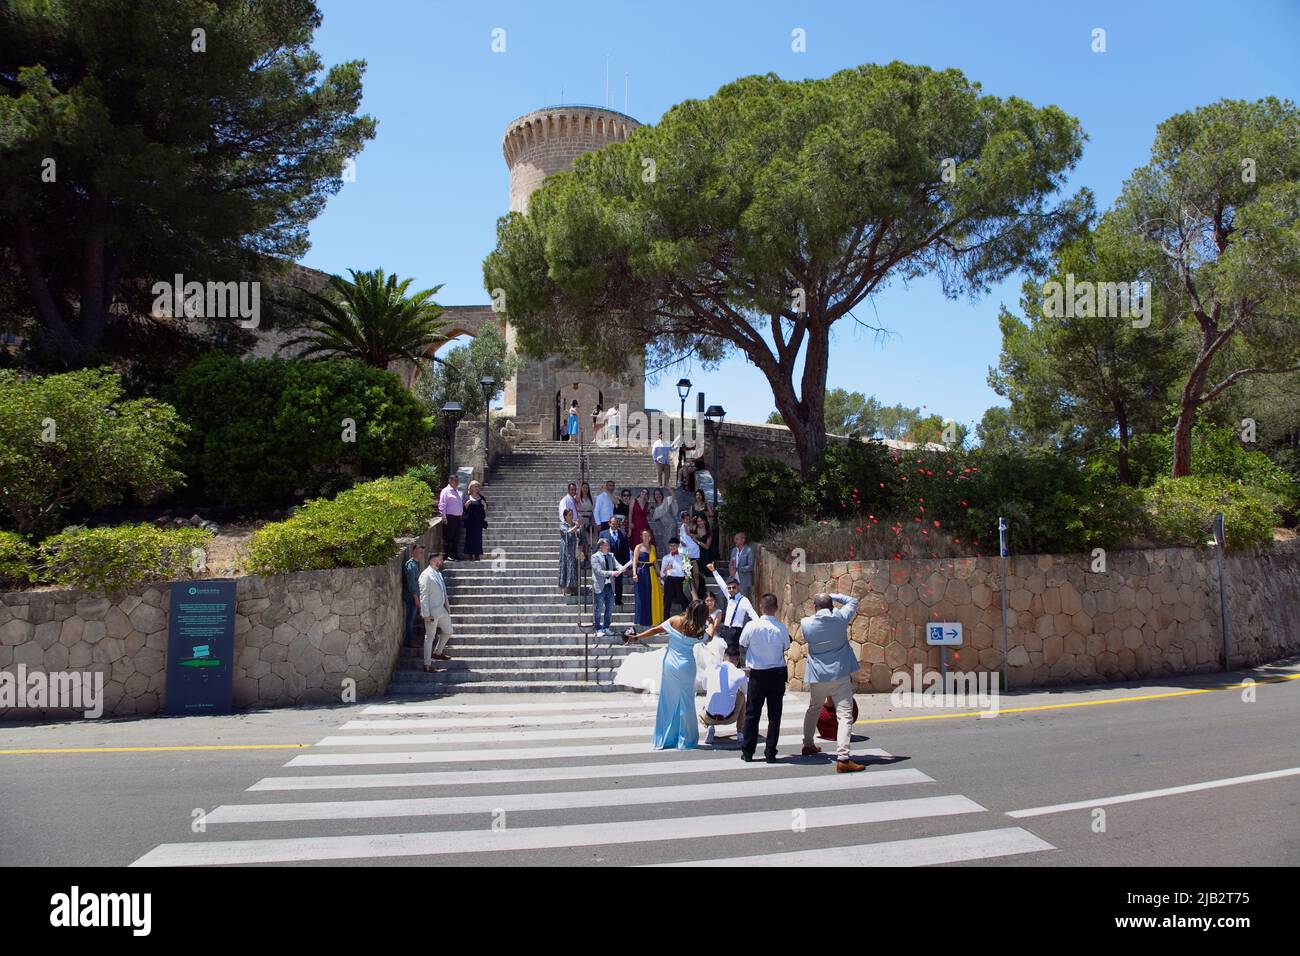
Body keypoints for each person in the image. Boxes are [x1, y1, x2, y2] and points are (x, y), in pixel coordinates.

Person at [625, 599, 710, 750]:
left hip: (670, 663)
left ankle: (665, 739)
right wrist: (713, 623)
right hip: (687, 665)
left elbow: (655, 630)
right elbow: (709, 637)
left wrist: (636, 637)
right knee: (687, 702)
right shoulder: (699, 630)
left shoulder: (675, 620)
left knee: (667, 700)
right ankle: (686, 740)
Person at [800, 591, 866, 773]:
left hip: (817, 675)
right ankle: (843, 758)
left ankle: (808, 744)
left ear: (815, 607)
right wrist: (834, 595)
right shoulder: (840, 618)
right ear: (831, 606)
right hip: (840, 673)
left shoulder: (806, 624)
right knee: (845, 715)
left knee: (813, 709)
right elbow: (853, 600)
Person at [739, 593, 790, 763]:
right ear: (776, 608)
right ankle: (770, 752)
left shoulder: (752, 626)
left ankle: (748, 752)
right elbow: (786, 645)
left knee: (752, 714)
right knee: (774, 715)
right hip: (776, 674)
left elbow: (743, 642)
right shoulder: (781, 628)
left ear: (761, 607)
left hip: (757, 675)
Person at [708, 562, 757, 662]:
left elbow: (753, 614)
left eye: (733, 587)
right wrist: (714, 571)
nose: (731, 590)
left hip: (735, 631)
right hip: (726, 630)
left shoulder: (744, 600)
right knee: (725, 653)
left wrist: (759, 625)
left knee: (732, 655)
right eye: (729, 588)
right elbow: (721, 583)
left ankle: (735, 670)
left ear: (738, 587)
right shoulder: (729, 597)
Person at [700, 647, 748, 747]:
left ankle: (710, 726)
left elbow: (704, 687)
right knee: (742, 696)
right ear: (737, 660)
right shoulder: (740, 674)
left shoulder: (710, 668)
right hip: (730, 718)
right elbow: (745, 691)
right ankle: (740, 732)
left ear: (723, 658)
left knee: (711, 693)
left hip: (708, 717)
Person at [419, 552, 454, 671]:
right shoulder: (426, 575)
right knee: (429, 637)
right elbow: (423, 596)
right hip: (432, 613)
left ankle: (438, 652)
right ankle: (427, 664)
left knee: (448, 631)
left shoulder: (437, 573)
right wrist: (426, 615)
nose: (442, 562)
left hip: (442, 610)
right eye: (440, 560)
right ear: (433, 561)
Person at [591, 538, 627, 638]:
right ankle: (597, 628)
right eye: (607, 545)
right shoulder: (595, 557)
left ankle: (606, 627)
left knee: (610, 608)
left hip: (610, 586)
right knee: (598, 609)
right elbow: (599, 571)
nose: (608, 547)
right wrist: (612, 573)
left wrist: (622, 568)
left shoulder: (611, 556)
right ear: (601, 546)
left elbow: (617, 564)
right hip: (599, 586)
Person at [632, 528, 663, 627]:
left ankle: (651, 619)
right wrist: (634, 573)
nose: (646, 537)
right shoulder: (638, 547)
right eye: (644, 535)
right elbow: (634, 561)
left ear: (650, 537)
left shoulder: (653, 547)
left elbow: (655, 562)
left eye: (648, 536)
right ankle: (641, 619)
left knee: (650, 596)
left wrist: (659, 575)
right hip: (642, 572)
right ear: (641, 537)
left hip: (652, 573)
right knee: (642, 596)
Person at [599, 516, 632, 606]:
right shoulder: (603, 534)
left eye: (617, 524)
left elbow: (626, 549)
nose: (615, 526)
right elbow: (599, 548)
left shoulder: (623, 534)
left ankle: (618, 600)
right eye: (613, 524)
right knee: (606, 582)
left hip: (619, 562)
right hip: (607, 561)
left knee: (619, 582)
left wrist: (626, 564)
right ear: (609, 523)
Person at [401, 544, 425, 648]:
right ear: (414, 551)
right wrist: (416, 598)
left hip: (416, 596)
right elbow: (411, 584)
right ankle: (410, 640)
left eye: (422, 552)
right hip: (412, 597)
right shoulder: (411, 565)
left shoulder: (416, 564)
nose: (421, 554)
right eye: (419, 551)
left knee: (412, 619)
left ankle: (412, 639)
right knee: (410, 619)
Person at [659, 538, 688, 617]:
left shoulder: (683, 557)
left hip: (680, 580)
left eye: (674, 546)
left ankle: (686, 617)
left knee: (682, 599)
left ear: (678, 546)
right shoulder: (666, 558)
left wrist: (686, 575)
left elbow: (687, 570)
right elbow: (662, 574)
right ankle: (666, 619)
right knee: (667, 600)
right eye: (671, 546)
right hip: (670, 579)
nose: (672, 547)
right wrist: (665, 569)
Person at [438, 475, 463, 561]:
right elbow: (442, 505)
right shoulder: (446, 491)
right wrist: (444, 517)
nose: (457, 482)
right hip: (450, 517)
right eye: (455, 480)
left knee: (456, 537)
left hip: (457, 518)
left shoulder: (456, 491)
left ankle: (455, 555)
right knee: (449, 537)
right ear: (450, 481)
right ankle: (448, 555)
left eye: (457, 480)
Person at [558, 507, 581, 596]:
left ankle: (573, 587)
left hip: (574, 549)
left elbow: (579, 534)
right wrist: (576, 526)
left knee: (574, 567)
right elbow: (567, 533)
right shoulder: (563, 524)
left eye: (572, 515)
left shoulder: (575, 524)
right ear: (565, 516)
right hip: (566, 549)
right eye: (569, 515)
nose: (571, 517)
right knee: (566, 566)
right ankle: (566, 588)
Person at [462, 481, 487, 561]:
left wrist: (484, 505)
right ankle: (470, 555)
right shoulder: (467, 497)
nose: (476, 488)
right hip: (470, 522)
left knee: (478, 538)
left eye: (477, 486)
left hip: (478, 522)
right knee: (469, 538)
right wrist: (466, 505)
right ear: (471, 488)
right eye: (474, 486)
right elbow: (464, 509)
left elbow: (485, 509)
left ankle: (477, 555)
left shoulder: (481, 497)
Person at [729, 532, 756, 598]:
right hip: (733, 579)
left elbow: (750, 567)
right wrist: (731, 570)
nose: (735, 540)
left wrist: (738, 569)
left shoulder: (749, 551)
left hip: (744, 580)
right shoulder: (734, 550)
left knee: (743, 599)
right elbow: (731, 563)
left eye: (737, 539)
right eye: (735, 539)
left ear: (743, 540)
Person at [650, 487, 676, 555]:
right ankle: (669, 560)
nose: (658, 495)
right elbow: (654, 518)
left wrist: (670, 489)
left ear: (662, 494)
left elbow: (673, 497)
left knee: (670, 543)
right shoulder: (655, 506)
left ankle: (672, 559)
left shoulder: (666, 501)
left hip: (671, 524)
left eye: (659, 494)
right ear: (654, 496)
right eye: (656, 494)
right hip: (665, 527)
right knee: (666, 543)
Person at [576, 480, 596, 552]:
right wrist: (579, 487)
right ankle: (580, 557)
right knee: (581, 539)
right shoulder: (579, 498)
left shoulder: (591, 499)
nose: (585, 489)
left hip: (589, 519)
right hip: (581, 520)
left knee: (588, 540)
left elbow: (593, 511)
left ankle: (587, 556)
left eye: (586, 488)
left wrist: (593, 522)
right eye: (583, 487)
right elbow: (577, 499)